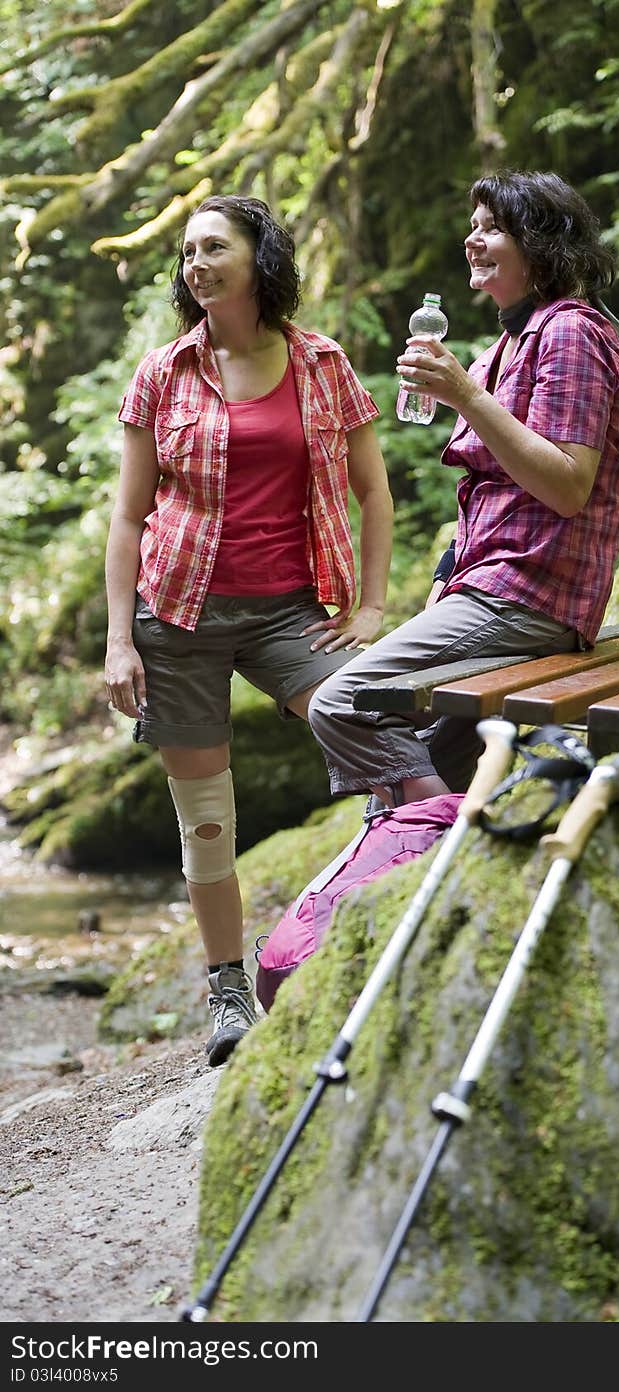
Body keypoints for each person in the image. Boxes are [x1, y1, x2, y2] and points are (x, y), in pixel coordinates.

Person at [103, 194, 393, 1066]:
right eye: (187, 252)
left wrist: (370, 609)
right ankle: (230, 991)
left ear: (258, 257)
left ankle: (368, 924)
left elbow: (374, 494)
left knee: (381, 737)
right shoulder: (163, 373)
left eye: (213, 247)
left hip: (290, 613)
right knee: (206, 821)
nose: (196, 263)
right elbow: (126, 519)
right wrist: (119, 641)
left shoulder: (321, 363)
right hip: (177, 615)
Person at [308, 169, 619, 807]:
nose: (473, 240)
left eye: (493, 229)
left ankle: (446, 838)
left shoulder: (571, 333)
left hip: (530, 594)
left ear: (542, 246)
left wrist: (465, 394)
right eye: (473, 226)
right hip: (489, 588)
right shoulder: (510, 342)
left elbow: (569, 485)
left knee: (341, 703)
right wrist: (442, 582)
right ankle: (432, 853)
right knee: (411, 763)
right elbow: (486, 494)